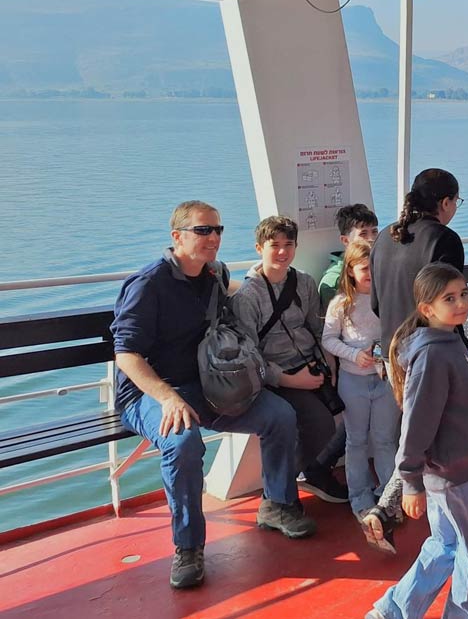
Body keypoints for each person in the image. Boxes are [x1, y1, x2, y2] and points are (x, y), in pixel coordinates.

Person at [112, 201, 315, 590]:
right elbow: (126, 356)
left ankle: (277, 504)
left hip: (206, 385)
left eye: (218, 229)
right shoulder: (148, 285)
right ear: (177, 237)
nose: (214, 237)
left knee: (279, 415)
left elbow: (235, 292)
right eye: (203, 230)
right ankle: (188, 546)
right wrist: (168, 398)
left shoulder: (214, 274)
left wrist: (262, 281)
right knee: (184, 443)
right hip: (151, 393)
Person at [362, 263, 468, 619]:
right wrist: (410, 482)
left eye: (463, 294)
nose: (461, 303)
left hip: (453, 470)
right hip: (455, 475)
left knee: (444, 544)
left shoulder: (447, 342)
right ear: (427, 309)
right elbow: (417, 423)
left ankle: (393, 610)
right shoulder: (434, 354)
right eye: (449, 298)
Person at [231, 216, 344, 502]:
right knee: (321, 423)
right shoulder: (247, 297)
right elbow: (250, 355)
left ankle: (315, 470)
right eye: (275, 245)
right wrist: (290, 380)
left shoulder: (303, 282)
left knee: (359, 403)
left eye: (289, 244)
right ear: (260, 248)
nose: (282, 252)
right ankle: (277, 493)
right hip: (278, 375)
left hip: (311, 364)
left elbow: (316, 328)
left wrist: (330, 363)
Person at [321, 240, 398, 520]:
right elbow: (328, 339)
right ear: (350, 270)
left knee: (385, 439)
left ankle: (389, 496)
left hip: (385, 380)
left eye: (374, 267)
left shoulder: (387, 299)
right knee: (355, 441)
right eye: (364, 268)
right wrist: (354, 355)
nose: (370, 273)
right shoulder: (341, 304)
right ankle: (360, 497)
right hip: (353, 381)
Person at [371, 168, 464, 347]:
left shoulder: (383, 236)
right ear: (446, 203)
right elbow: (450, 304)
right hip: (432, 348)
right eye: (456, 201)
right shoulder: (445, 239)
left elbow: (375, 304)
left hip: (392, 348)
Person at [318, 203, 380, 313]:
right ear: (345, 240)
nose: (371, 239)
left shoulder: (382, 265)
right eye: (363, 234)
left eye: (374, 232)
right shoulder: (333, 281)